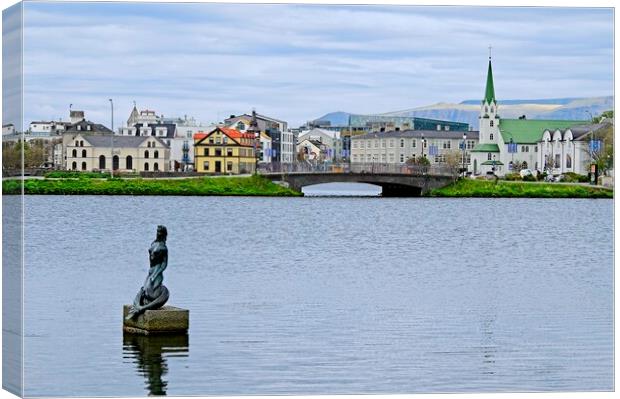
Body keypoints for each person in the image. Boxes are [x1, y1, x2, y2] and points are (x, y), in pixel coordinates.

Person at [125, 225, 170, 320]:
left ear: (164, 234)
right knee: (144, 289)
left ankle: (141, 308)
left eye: (160, 232)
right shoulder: (153, 243)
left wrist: (156, 273)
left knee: (151, 291)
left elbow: (164, 264)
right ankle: (140, 305)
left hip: (157, 271)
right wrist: (151, 272)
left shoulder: (164, 248)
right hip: (151, 270)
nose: (158, 234)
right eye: (157, 232)